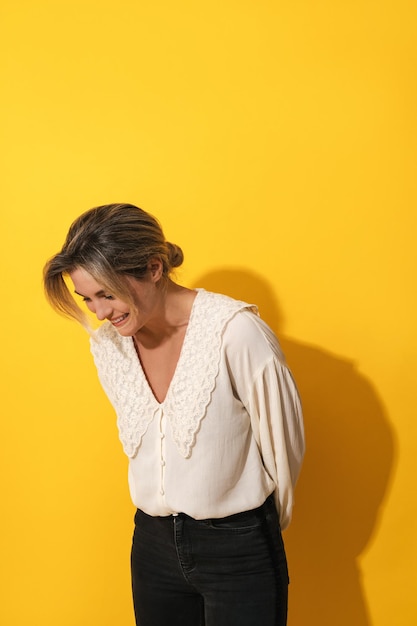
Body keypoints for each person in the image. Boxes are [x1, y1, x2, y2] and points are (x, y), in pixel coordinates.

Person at [43, 203, 305, 626]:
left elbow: (284, 445)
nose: (100, 313)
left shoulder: (235, 333)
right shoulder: (109, 345)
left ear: (153, 267)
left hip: (238, 545)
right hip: (151, 545)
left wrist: (255, 535)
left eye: (107, 294)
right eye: (87, 298)